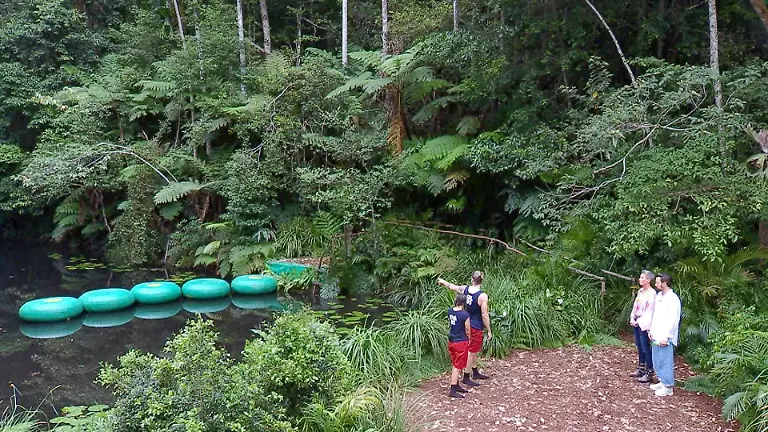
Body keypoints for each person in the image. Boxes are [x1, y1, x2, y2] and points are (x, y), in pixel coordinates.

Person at [438, 271, 492, 386]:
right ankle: (466, 377)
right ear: (482, 281)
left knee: (473, 350)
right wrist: (489, 329)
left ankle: (475, 370)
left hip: (465, 322)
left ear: (472, 279)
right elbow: (484, 314)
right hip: (476, 325)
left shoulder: (464, 289)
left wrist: (443, 282)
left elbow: (452, 286)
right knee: (471, 352)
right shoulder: (482, 296)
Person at [648, 273, 681, 397]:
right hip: (656, 333)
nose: (656, 285)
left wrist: (667, 336)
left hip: (665, 336)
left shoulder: (673, 299)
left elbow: (673, 320)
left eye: (657, 282)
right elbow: (655, 314)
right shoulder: (659, 296)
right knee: (657, 359)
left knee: (665, 360)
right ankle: (662, 381)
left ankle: (668, 386)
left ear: (664, 283)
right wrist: (651, 330)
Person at [628, 270, 656, 383]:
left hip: (644, 323)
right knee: (639, 346)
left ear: (648, 280)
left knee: (645, 348)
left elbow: (650, 311)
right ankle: (641, 368)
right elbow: (636, 305)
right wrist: (632, 317)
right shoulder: (641, 291)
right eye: (640, 277)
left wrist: (639, 321)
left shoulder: (652, 293)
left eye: (642, 278)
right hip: (637, 321)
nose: (640, 279)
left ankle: (649, 372)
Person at [447, 293, 471, 398]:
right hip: (461, 341)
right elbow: (467, 330)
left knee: (455, 363)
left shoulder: (450, 311)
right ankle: (453, 389)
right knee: (457, 366)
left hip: (452, 340)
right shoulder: (464, 315)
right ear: (464, 303)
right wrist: (469, 338)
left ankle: (456, 385)